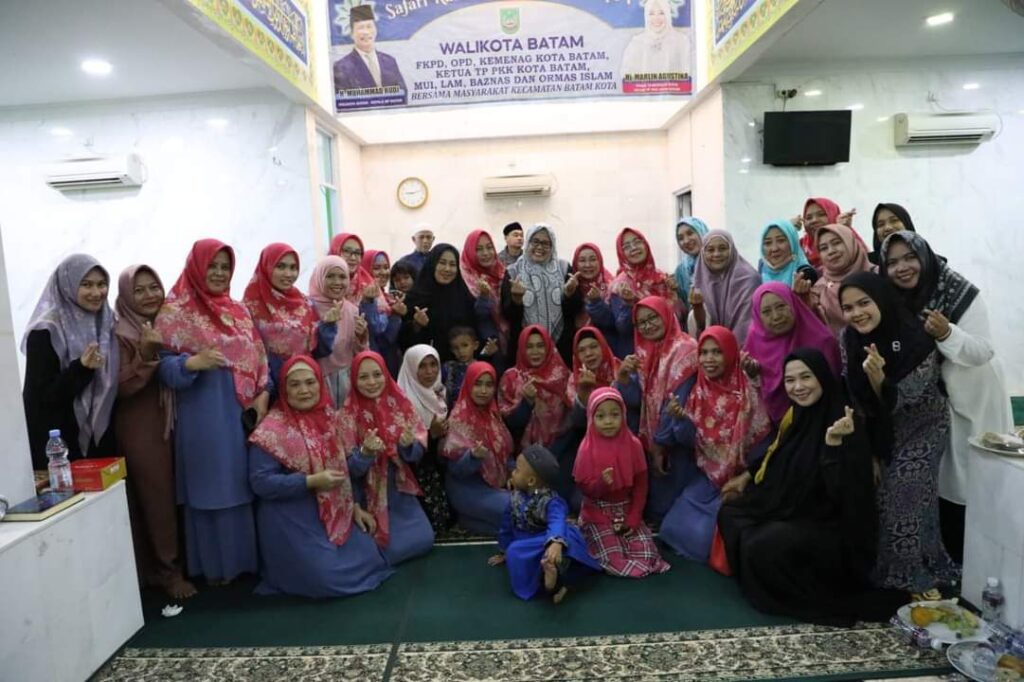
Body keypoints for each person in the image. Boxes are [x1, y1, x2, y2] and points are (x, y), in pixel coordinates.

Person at [718, 349, 907, 626]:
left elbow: (847, 494)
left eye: (806, 377)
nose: (798, 387)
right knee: (730, 514)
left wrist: (832, 445)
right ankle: (760, 580)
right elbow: (778, 453)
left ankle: (784, 593)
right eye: (790, 380)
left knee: (762, 544)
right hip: (794, 506)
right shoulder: (798, 415)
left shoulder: (845, 421)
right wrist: (748, 475)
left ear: (822, 377)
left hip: (828, 522)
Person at [879, 231, 1012, 562]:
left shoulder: (959, 291)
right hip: (935, 400)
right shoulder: (894, 300)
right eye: (892, 262)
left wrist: (947, 332)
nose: (902, 268)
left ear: (924, 256)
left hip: (975, 393)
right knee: (947, 480)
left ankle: (988, 558)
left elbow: (983, 350)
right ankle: (954, 557)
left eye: (909, 257)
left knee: (978, 477)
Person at [839, 272, 959, 595]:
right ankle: (894, 567)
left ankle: (909, 574)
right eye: (848, 307)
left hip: (923, 425)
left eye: (864, 303)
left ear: (880, 299)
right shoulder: (848, 339)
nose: (857, 313)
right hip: (880, 428)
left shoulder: (916, 338)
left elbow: (907, 397)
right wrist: (871, 452)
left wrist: (879, 379)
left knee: (906, 490)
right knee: (880, 493)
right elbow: (855, 397)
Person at [157, 239, 269, 584]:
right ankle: (216, 569)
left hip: (243, 412)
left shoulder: (238, 310)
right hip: (204, 411)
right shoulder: (175, 312)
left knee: (243, 482)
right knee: (212, 487)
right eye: (212, 266)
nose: (220, 273)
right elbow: (162, 370)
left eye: (225, 267)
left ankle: (246, 564)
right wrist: (191, 363)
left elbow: (259, 355)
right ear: (196, 267)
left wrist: (263, 394)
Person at [248, 356, 393, 598]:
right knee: (329, 578)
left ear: (320, 384)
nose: (304, 390)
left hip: (334, 507)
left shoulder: (330, 419)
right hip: (290, 514)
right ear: (284, 389)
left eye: (310, 382)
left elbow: (344, 472)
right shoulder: (269, 432)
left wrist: (365, 454)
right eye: (295, 384)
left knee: (373, 555)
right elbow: (260, 483)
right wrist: (310, 481)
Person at [654, 326, 773, 561]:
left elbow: (762, 441)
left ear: (730, 353)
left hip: (743, 477)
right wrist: (680, 421)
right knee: (671, 529)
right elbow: (691, 442)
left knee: (702, 539)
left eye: (717, 352)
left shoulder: (747, 392)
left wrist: (744, 475)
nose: (709, 359)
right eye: (704, 352)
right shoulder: (698, 391)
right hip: (708, 476)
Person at [113, 264, 193, 600]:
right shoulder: (120, 332)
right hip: (141, 424)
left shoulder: (168, 324)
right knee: (156, 497)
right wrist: (146, 355)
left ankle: (183, 563)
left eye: (154, 287)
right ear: (126, 295)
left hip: (171, 420)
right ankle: (166, 572)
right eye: (139, 290)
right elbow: (119, 387)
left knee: (176, 490)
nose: (149, 296)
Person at [22, 254, 118, 469]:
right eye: (86, 284)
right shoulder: (46, 331)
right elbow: (41, 397)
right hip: (59, 445)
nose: (96, 292)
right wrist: (81, 368)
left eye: (101, 284)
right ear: (68, 285)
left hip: (101, 439)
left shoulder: (108, 322)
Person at [338, 351, 434, 565]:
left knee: (425, 539)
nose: (372, 382)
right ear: (353, 379)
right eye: (363, 377)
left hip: (398, 487)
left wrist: (407, 446)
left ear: (386, 374)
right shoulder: (346, 415)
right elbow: (348, 470)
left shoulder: (401, 404)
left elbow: (416, 455)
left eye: (377, 374)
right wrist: (365, 453)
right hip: (365, 491)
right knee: (390, 549)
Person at [574, 388, 670, 578]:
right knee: (614, 558)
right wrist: (601, 483)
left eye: (615, 415)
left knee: (648, 554)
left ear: (623, 415)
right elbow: (586, 491)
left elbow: (641, 486)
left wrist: (634, 518)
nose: (608, 421)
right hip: (597, 513)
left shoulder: (633, 445)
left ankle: (630, 551)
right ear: (591, 418)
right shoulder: (586, 449)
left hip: (626, 510)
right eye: (600, 416)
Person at [489, 444, 600, 603]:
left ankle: (558, 580)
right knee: (515, 551)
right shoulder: (515, 497)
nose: (512, 472)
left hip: (550, 539)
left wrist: (555, 542)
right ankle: (552, 584)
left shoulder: (551, 501)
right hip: (529, 545)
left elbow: (557, 520)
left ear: (531, 481)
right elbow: (507, 524)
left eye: (517, 470)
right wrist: (504, 550)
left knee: (566, 549)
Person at [742, 282, 841, 423]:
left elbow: (835, 389)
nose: (776, 316)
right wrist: (753, 375)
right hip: (774, 426)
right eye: (766, 312)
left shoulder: (822, 341)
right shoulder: (755, 341)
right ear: (758, 315)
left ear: (793, 304)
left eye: (781, 306)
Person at [242, 243, 338, 384]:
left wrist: (328, 326)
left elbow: (318, 350)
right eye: (281, 267)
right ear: (266, 266)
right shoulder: (250, 306)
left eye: (293, 268)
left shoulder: (305, 304)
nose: (288, 274)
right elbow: (248, 355)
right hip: (268, 389)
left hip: (303, 385)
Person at [442, 362, 513, 535]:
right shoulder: (458, 419)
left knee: (531, 508)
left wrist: (513, 473)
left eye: (489, 385)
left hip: (497, 486)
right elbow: (455, 470)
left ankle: (470, 522)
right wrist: (473, 457)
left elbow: (506, 453)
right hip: (467, 488)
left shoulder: (493, 415)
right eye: (478, 384)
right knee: (517, 511)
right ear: (468, 385)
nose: (483, 390)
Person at [502, 224, 581, 365]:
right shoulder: (513, 272)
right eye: (535, 241)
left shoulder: (563, 268)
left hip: (561, 347)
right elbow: (507, 315)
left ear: (552, 246)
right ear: (528, 243)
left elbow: (574, 310)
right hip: (525, 347)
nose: (540, 247)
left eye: (545, 243)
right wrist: (516, 300)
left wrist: (569, 295)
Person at [396, 345, 452, 532]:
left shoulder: (440, 393)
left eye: (433, 364)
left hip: (440, 464)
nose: (429, 372)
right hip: (414, 472)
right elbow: (406, 454)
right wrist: (431, 434)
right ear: (411, 368)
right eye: (422, 366)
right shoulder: (403, 403)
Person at [400, 243, 483, 364]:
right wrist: (417, 325)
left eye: (452, 264)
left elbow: (475, 333)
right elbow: (402, 340)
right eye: (442, 263)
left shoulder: (464, 296)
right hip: (427, 367)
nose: (447, 269)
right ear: (432, 264)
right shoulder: (416, 297)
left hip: (460, 367)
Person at [307, 256, 369, 407]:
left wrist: (361, 336)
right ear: (319, 277)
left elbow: (360, 352)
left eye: (342, 277)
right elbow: (308, 349)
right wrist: (327, 327)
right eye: (330, 276)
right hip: (313, 381)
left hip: (346, 379)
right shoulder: (306, 309)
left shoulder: (352, 310)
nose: (337, 282)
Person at [498, 325, 572, 451]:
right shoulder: (511, 378)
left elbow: (573, 419)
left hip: (562, 450)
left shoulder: (563, 376)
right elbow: (510, 424)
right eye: (529, 347)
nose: (535, 351)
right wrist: (526, 403)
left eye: (540, 346)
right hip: (524, 454)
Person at [609, 228, 674, 357]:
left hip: (670, 349)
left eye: (637, 242)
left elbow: (677, 317)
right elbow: (623, 328)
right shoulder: (620, 285)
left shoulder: (663, 278)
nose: (634, 248)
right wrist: (629, 304)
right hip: (639, 354)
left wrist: (674, 293)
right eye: (627, 246)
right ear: (621, 253)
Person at [688, 229, 761, 345]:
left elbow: (745, 325)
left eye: (722, 248)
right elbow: (700, 326)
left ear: (732, 249)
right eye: (710, 250)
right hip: (711, 350)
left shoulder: (748, 279)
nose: (716, 254)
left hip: (742, 349)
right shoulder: (700, 279)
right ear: (703, 253)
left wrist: (728, 351)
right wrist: (698, 309)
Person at [809, 223, 874, 335]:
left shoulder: (878, 274)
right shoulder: (818, 290)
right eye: (824, 248)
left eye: (836, 243)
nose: (831, 251)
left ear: (851, 243)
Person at [333, 5, 407, 103]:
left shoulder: (390, 61)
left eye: (369, 26)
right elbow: (344, 101)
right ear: (351, 34)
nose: (366, 32)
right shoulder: (342, 67)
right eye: (360, 28)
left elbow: (402, 94)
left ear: (375, 30)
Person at [460, 229, 508, 363]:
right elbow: (475, 317)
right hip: (477, 351)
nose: (486, 253)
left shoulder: (502, 273)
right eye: (479, 249)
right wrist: (484, 297)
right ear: (470, 251)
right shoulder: (463, 279)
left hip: (504, 346)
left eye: (489, 247)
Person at [619, 0, 691, 81]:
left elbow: (688, 72)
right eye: (651, 14)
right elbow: (626, 75)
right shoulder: (636, 43)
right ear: (646, 16)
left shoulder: (681, 41)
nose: (656, 18)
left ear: (668, 15)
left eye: (661, 13)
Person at [360, 249, 405, 375]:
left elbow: (389, 338)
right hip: (371, 364)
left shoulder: (386, 298)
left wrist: (395, 314)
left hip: (388, 361)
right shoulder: (360, 296)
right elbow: (376, 329)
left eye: (386, 267)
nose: (383, 272)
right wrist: (369, 302)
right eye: (376, 268)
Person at [570, 243, 619, 354]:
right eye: (582, 260)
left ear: (600, 261)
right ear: (575, 264)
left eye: (592, 259)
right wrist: (568, 293)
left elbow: (615, 322)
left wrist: (597, 302)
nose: (588, 265)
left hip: (609, 349)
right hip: (580, 350)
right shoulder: (571, 286)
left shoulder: (611, 285)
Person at [442, 326, 498, 408]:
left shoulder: (481, 368)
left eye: (465, 345)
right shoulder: (448, 368)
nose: (461, 351)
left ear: (475, 345)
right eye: (456, 348)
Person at [757, 220, 812, 289]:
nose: (774, 249)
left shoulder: (805, 273)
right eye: (768, 243)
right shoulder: (761, 271)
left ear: (792, 242)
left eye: (781, 240)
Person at [673, 216, 709, 303]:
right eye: (680, 238)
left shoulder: (718, 261)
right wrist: (676, 290)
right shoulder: (681, 270)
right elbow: (685, 304)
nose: (686, 241)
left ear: (701, 232)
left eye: (690, 233)